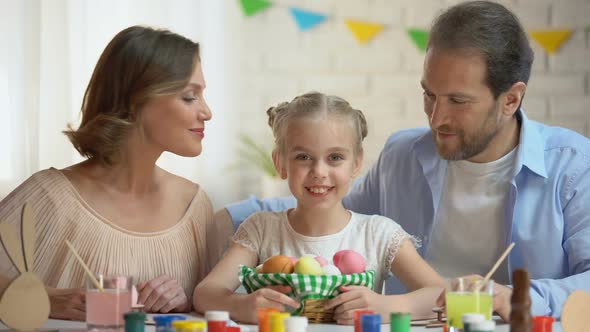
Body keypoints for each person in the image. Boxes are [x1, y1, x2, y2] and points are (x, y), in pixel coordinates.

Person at [221, 1, 590, 320]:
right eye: (429, 94)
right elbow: (327, 205)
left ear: (510, 100)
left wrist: (521, 297)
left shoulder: (572, 166)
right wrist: (213, 217)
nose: (436, 117)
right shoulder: (403, 155)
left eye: (457, 101)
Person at [0, 26, 233, 320]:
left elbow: (209, 310)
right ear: (135, 101)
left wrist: (185, 302)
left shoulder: (195, 205)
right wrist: (44, 298)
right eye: (189, 97)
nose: (207, 112)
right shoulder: (49, 196)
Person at [194, 92, 446, 324]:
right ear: (280, 163)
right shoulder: (261, 229)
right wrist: (241, 305)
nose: (319, 172)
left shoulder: (379, 234)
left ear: (356, 163)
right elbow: (206, 293)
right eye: (303, 157)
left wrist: (382, 306)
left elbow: (439, 294)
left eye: (335, 158)